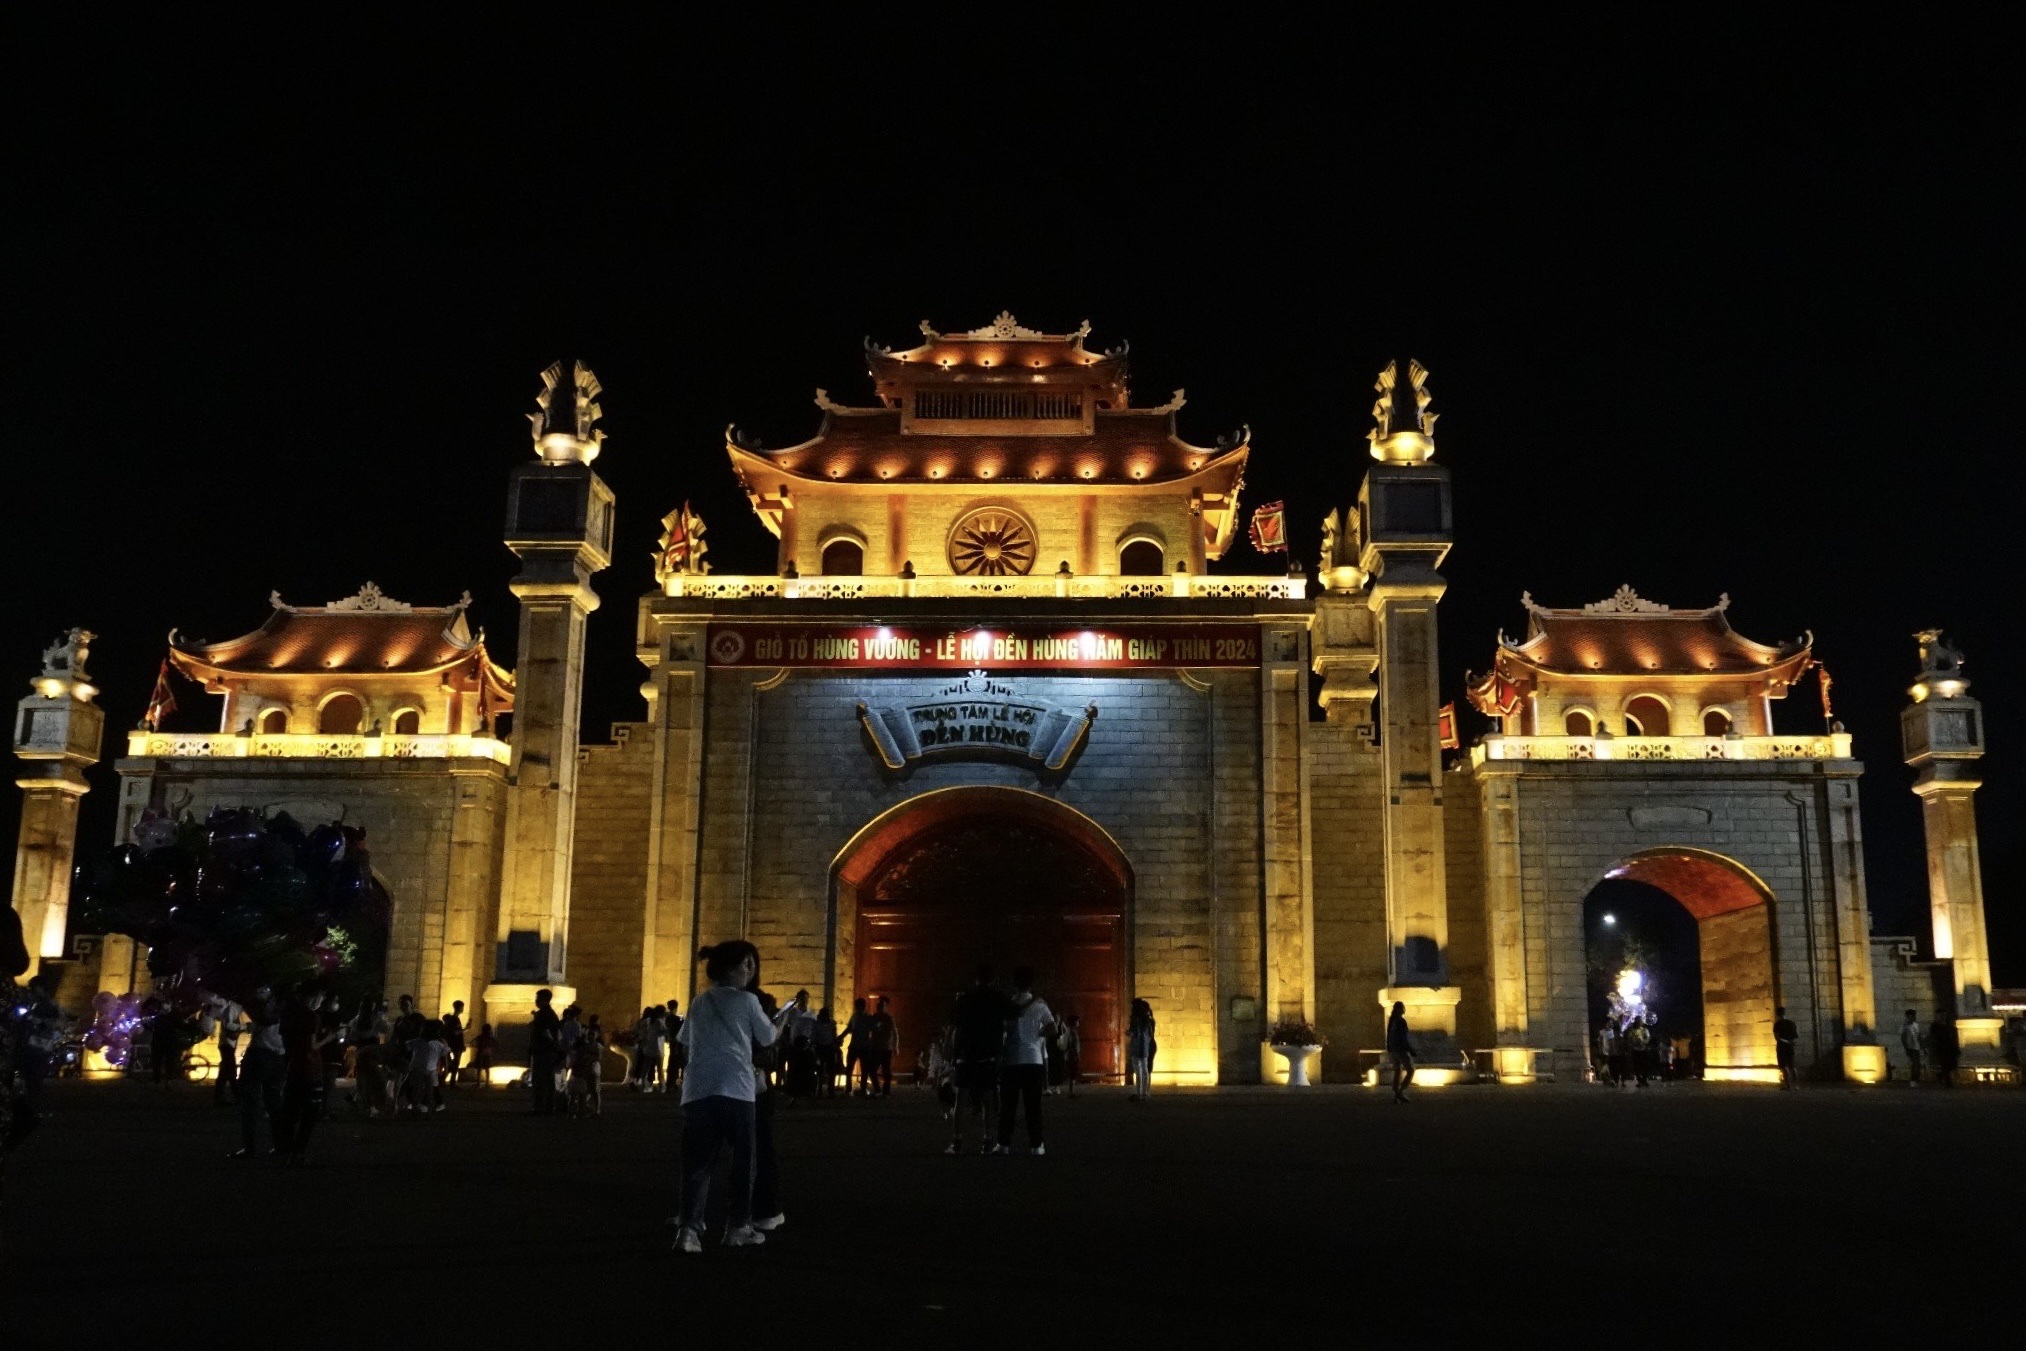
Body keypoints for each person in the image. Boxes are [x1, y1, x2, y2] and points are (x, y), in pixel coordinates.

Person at [673, 941, 779, 1253]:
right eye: (745, 964)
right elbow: (768, 1037)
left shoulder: (699, 1001)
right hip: (737, 1089)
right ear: (727, 968)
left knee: (697, 1164)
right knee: (743, 1163)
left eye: (752, 964)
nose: (751, 970)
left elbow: (685, 1043)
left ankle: (688, 1232)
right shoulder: (747, 1001)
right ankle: (738, 1227)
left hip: (699, 1090)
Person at [947, 966, 1011, 1154]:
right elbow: (1011, 1017)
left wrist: (953, 1052)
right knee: (987, 1100)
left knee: (961, 1098)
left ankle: (957, 1142)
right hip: (988, 1055)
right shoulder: (997, 1000)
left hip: (966, 1055)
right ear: (992, 980)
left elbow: (956, 1027)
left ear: (975, 979)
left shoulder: (965, 1000)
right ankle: (988, 1141)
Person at [997, 967, 1055, 1156]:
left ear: (1014, 984)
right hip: (1034, 1060)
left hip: (1011, 1060)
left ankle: (1003, 1144)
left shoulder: (1008, 1005)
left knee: (1008, 1106)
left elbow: (1001, 1029)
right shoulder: (1039, 1005)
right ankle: (1036, 1145)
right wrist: (1037, 1036)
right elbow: (1052, 1027)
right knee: (1033, 1107)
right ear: (1031, 984)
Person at [277, 986, 337, 1163]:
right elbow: (311, 1046)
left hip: (291, 1067)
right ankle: (298, 1152)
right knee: (309, 1113)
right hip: (309, 1069)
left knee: (290, 1112)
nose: (320, 1000)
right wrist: (329, 1038)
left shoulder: (288, 1015)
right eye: (318, 996)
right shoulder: (312, 1017)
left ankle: (285, 1151)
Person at [233, 989, 286, 1157]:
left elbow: (262, 1018)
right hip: (278, 1056)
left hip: (259, 1054)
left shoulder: (265, 1006)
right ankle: (280, 1146)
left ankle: (250, 1148)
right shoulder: (288, 1006)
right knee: (274, 1103)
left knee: (251, 1104)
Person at [528, 989, 562, 1114]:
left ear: (544, 1000)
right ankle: (548, 1106)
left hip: (543, 1051)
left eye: (538, 998)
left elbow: (546, 1033)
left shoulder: (544, 1014)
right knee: (547, 1080)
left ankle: (540, 1107)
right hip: (548, 1051)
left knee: (541, 1080)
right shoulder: (548, 1013)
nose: (536, 1000)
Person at [407, 1020, 449, 1115]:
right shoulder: (438, 1044)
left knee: (417, 1089)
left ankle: (420, 1107)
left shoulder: (417, 1042)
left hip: (420, 1069)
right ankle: (427, 1108)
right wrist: (445, 1068)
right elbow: (444, 1055)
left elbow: (408, 1048)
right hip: (431, 1070)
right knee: (429, 1090)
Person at [212, 996, 244, 1105]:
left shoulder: (233, 1008)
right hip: (227, 1044)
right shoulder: (232, 1008)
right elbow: (227, 1024)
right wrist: (242, 1028)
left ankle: (220, 1096)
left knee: (225, 1072)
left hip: (227, 1044)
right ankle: (237, 1096)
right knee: (230, 1071)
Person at [569, 1015, 604, 1116]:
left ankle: (595, 1110)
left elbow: (599, 1057)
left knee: (594, 1091)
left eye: (592, 1034)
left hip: (593, 1069)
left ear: (596, 1035)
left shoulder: (596, 1046)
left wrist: (589, 1058)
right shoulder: (586, 1045)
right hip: (586, 1070)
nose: (590, 1036)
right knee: (586, 1091)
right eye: (589, 1034)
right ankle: (582, 1109)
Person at [866, 995, 897, 1096]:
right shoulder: (874, 1017)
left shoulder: (889, 1018)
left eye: (882, 1005)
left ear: (885, 1007)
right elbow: (870, 1031)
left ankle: (885, 1091)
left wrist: (896, 1046)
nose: (879, 1007)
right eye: (879, 1005)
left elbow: (895, 1032)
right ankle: (878, 1089)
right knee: (872, 1069)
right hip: (876, 1048)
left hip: (886, 1048)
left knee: (886, 1070)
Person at [1126, 999, 1156, 1101]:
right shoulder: (1147, 1019)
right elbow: (1150, 1034)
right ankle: (1144, 1093)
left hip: (1136, 1045)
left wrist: (1128, 1033)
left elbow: (1133, 1033)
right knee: (1145, 1070)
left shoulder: (1134, 1019)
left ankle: (1138, 1093)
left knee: (1138, 1071)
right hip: (1144, 1046)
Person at [842, 997, 873, 1095]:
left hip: (863, 1046)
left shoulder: (867, 1017)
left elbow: (849, 1028)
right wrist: (840, 1036)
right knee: (850, 1069)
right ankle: (849, 1088)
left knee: (864, 1069)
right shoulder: (855, 1016)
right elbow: (849, 1028)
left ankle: (862, 1088)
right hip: (855, 1045)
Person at [1386, 1000, 1415, 1103]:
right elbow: (1403, 1038)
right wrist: (1410, 1049)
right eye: (1403, 1007)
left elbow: (1389, 1036)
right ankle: (1401, 1091)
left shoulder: (1392, 1020)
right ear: (1400, 1009)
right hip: (1400, 1050)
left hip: (1393, 1050)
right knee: (1410, 1070)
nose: (1404, 1009)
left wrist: (1389, 1049)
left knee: (1397, 1071)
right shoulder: (1401, 1021)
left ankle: (1396, 1095)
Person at [632, 1007, 665, 1093]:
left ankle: (645, 1087)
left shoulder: (646, 1022)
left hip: (648, 1048)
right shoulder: (660, 1022)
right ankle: (661, 1087)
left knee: (645, 1069)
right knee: (659, 1069)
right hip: (658, 1049)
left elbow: (641, 1033)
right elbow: (664, 1031)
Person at [813, 1006, 839, 1098]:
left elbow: (834, 1035)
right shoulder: (817, 1024)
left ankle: (829, 1091)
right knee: (820, 1070)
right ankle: (820, 1090)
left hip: (828, 1047)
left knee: (831, 1070)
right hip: (821, 1047)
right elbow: (815, 1036)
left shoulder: (831, 1023)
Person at [1773, 1006, 1799, 1090]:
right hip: (1790, 1046)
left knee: (1784, 1066)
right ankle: (1796, 1085)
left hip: (1782, 1046)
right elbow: (1796, 1036)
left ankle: (1788, 1085)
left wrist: (1785, 1041)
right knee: (1792, 1066)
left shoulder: (1777, 1024)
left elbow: (1777, 1038)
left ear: (1777, 1014)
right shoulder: (1791, 1023)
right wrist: (1790, 1042)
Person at [1930, 1011, 1959, 1087]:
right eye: (1940, 1015)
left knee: (1950, 1065)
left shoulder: (1947, 1025)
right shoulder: (1935, 1025)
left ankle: (1941, 1076)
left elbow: (1952, 1037)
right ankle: (1948, 1082)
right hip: (1941, 1048)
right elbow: (1934, 1036)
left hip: (1949, 1047)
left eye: (1943, 1015)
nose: (1942, 1017)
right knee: (1945, 1065)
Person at [442, 1000, 467, 1085]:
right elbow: (455, 1032)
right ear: (460, 1008)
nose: (463, 1009)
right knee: (456, 1062)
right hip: (456, 1044)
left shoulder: (453, 1019)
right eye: (462, 1007)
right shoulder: (455, 1019)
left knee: (455, 1062)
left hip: (454, 1044)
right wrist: (466, 1028)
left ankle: (445, 1079)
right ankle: (448, 1080)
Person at [1059, 1013, 1082, 1098]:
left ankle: (1071, 1092)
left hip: (1069, 1055)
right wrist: (1076, 1055)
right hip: (1072, 1056)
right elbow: (1072, 1044)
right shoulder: (1072, 1032)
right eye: (1077, 1021)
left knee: (1072, 1074)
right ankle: (1071, 1092)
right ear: (1074, 1022)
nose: (1078, 1023)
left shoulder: (1068, 1031)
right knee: (1072, 1074)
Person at [1900, 1008, 1926, 1084]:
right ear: (1908, 1017)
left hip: (1916, 1047)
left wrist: (1922, 1047)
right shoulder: (1904, 1026)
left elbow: (1919, 1036)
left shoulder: (1916, 1025)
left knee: (1917, 1063)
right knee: (1914, 1063)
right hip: (1910, 1047)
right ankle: (1913, 1079)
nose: (1914, 1018)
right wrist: (1906, 1048)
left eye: (1914, 1016)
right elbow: (1903, 1038)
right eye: (1912, 1016)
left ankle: (1916, 1078)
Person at [1626, 1016, 1652, 1088]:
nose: (1640, 1022)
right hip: (1635, 1050)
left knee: (1645, 1066)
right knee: (1636, 1067)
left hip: (1643, 1050)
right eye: (1639, 1020)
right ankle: (1640, 1081)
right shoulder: (1632, 1030)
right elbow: (1629, 1039)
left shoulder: (1644, 1030)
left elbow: (1648, 1038)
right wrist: (1634, 1042)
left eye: (1641, 1021)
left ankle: (1644, 1080)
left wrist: (1643, 1042)